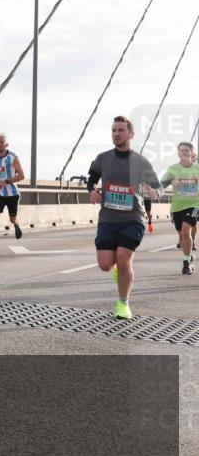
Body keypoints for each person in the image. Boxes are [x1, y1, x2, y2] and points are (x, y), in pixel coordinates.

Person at [86, 116, 162, 319]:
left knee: (123, 259)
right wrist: (92, 191)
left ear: (130, 134)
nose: (116, 134)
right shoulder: (102, 158)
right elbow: (91, 180)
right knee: (104, 264)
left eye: (120, 130)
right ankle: (118, 271)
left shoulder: (140, 161)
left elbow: (158, 186)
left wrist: (156, 193)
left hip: (133, 218)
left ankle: (123, 303)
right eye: (113, 130)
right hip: (108, 219)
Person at [160, 141, 198, 275]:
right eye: (181, 150)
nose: (184, 153)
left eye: (187, 150)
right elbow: (162, 185)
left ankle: (186, 262)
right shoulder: (173, 169)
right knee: (182, 238)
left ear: (191, 153)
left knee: (186, 231)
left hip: (194, 205)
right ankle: (190, 256)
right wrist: (155, 191)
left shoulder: (197, 169)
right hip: (177, 206)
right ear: (178, 153)